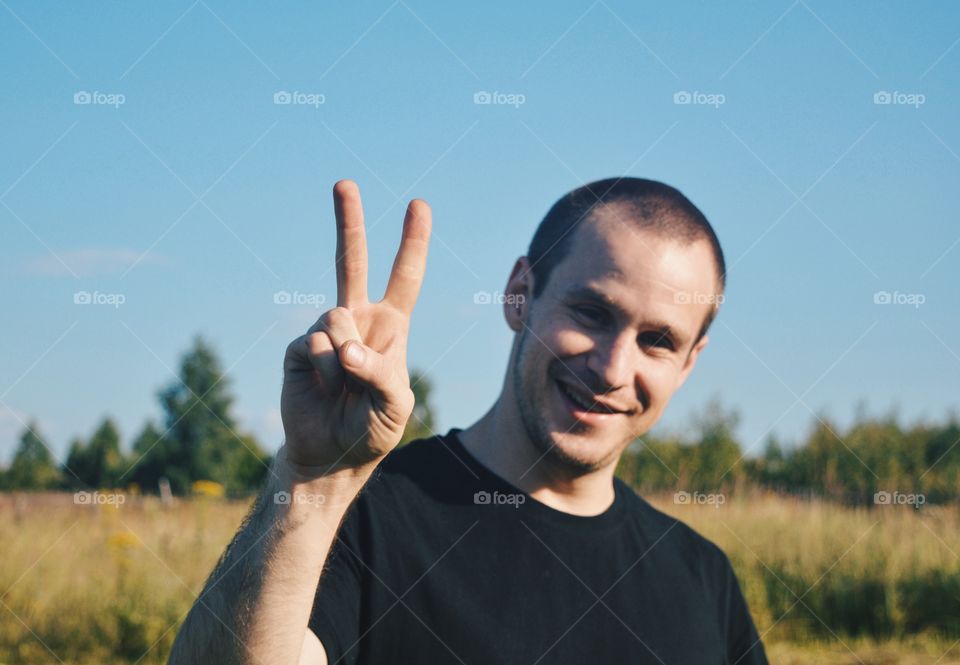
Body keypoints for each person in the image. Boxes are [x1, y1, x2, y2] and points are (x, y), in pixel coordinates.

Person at [169, 177, 769, 664]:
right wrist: (314, 480)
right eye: (592, 311)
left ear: (690, 364)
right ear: (519, 295)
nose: (613, 368)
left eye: (659, 340)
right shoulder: (363, 518)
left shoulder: (701, 578)